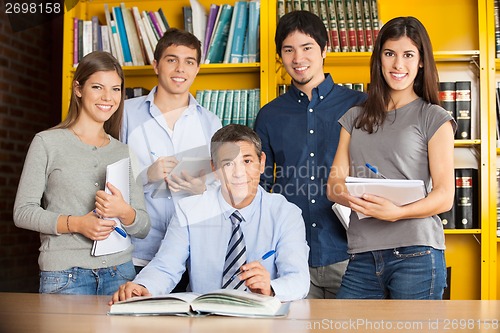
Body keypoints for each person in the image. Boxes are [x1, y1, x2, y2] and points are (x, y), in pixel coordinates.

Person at [326, 16, 456, 299]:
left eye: (408, 55)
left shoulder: (434, 118)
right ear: (379, 59)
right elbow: (334, 185)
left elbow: (445, 196)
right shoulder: (354, 118)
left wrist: (397, 212)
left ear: (421, 61)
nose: (398, 65)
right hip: (362, 257)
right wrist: (356, 198)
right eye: (390, 54)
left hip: (417, 255)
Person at [111, 124, 310, 303]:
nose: (239, 173)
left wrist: (271, 288)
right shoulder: (188, 210)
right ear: (214, 168)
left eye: (247, 161)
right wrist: (142, 287)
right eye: (228, 164)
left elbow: (298, 278)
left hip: (263, 318)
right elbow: (166, 267)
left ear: (262, 162)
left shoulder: (286, 214)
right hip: (205, 317)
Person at [13, 51, 151, 295]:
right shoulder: (47, 142)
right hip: (65, 275)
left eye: (116, 89)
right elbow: (23, 212)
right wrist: (77, 224)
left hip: (121, 274)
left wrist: (124, 212)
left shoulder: (124, 151)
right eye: (97, 87)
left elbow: (143, 227)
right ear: (78, 89)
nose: (107, 97)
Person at [253, 11, 367, 299]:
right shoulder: (269, 115)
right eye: (288, 50)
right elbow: (261, 185)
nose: (297, 58)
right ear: (280, 55)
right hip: (291, 256)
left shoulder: (359, 105)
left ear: (325, 50)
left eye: (307, 48)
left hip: (351, 252)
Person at [120, 28, 222, 281]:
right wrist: (146, 176)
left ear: (197, 69)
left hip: (191, 255)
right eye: (172, 60)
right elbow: (104, 179)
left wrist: (203, 190)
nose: (180, 69)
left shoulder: (211, 123)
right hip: (135, 254)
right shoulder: (125, 115)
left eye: (189, 62)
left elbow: (224, 191)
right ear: (156, 65)